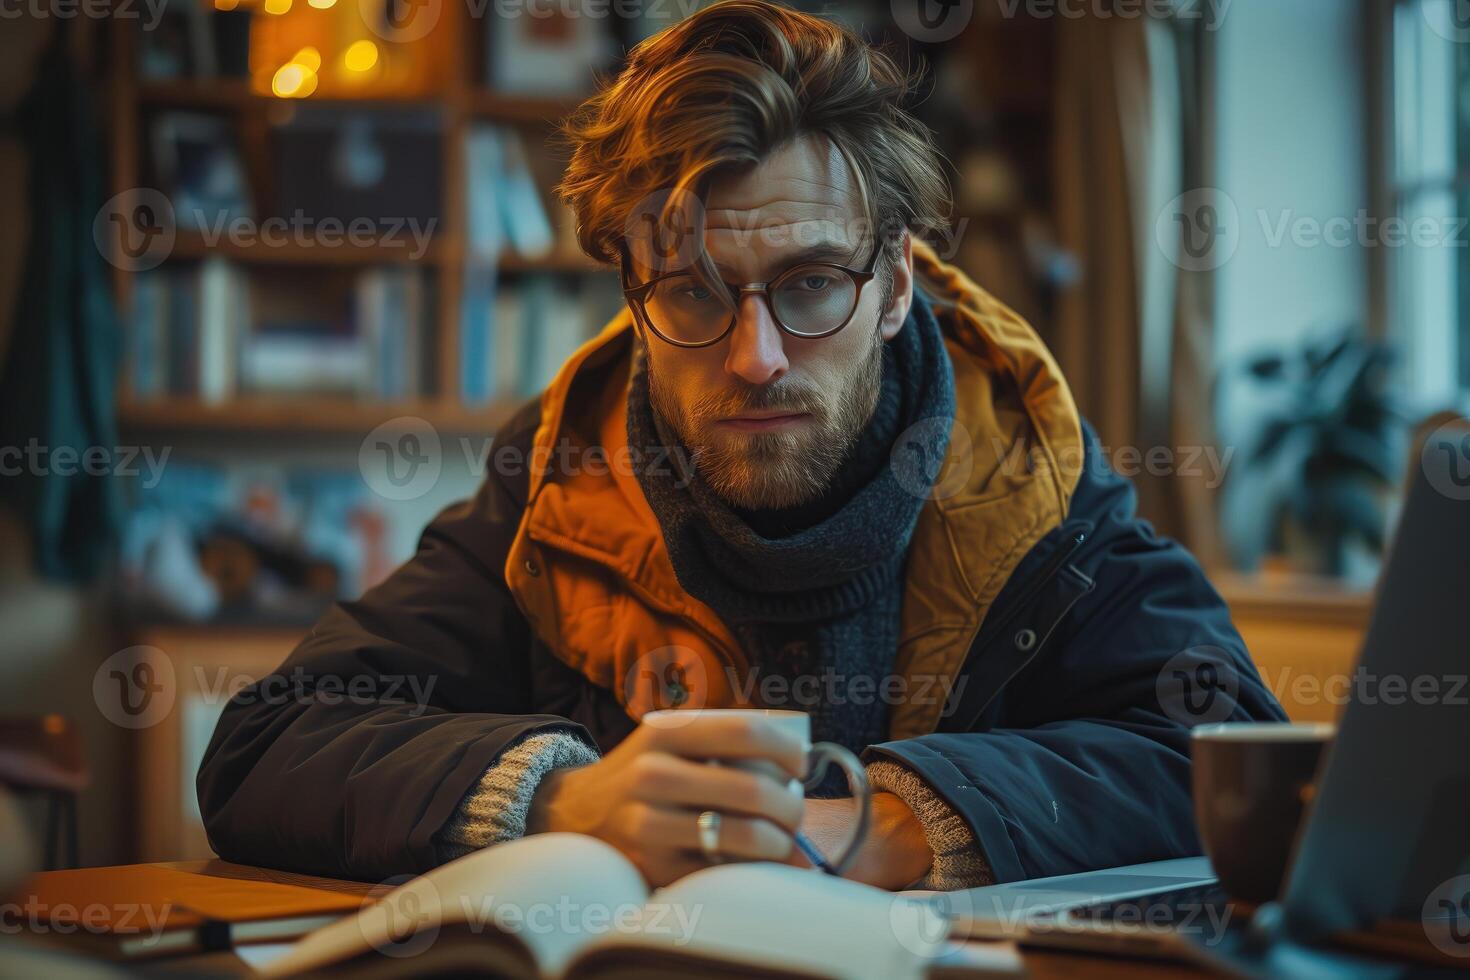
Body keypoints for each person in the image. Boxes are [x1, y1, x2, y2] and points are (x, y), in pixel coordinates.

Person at [198, 0, 1284, 890]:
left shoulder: (1025, 474)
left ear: (897, 281)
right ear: (633, 291)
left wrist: (892, 820)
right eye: (693, 291)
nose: (757, 354)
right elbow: (266, 745)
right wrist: (566, 795)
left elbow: (1240, 757)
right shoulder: (562, 480)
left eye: (811, 282)